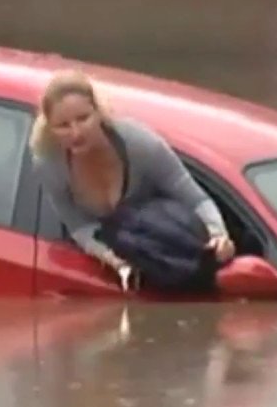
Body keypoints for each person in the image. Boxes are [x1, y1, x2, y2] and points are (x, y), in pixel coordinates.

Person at [30, 69, 235, 280]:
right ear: (50, 128)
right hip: (106, 273)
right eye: (63, 126)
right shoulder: (50, 165)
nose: (76, 133)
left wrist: (218, 235)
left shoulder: (141, 145)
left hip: (171, 251)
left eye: (83, 118)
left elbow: (196, 199)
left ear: (98, 112)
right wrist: (115, 262)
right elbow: (79, 226)